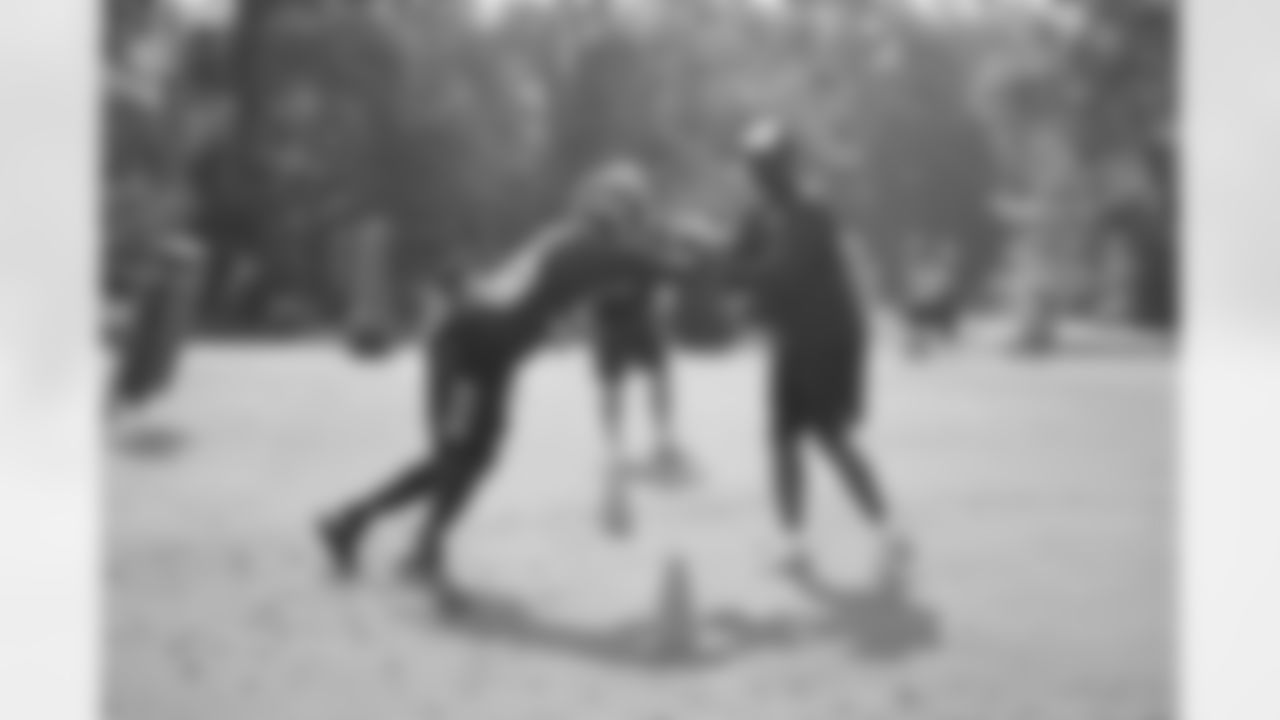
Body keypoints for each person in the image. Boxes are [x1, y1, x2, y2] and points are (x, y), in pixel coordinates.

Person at [317, 160, 690, 602]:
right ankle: (366, 528)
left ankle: (396, 537)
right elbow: (658, 267)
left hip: (490, 356)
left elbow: (638, 268)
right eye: (633, 212)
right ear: (617, 213)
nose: (633, 222)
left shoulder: (570, 238)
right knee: (456, 458)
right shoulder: (586, 246)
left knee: (474, 456)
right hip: (466, 346)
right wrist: (703, 252)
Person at [727, 121, 896, 559]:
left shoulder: (810, 213)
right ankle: (794, 539)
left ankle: (886, 528)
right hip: (792, 339)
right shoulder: (760, 215)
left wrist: (733, 276)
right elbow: (737, 264)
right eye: (758, 166)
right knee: (783, 437)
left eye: (769, 165)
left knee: (828, 432)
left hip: (826, 336)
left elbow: (778, 274)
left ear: (786, 166)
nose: (762, 174)